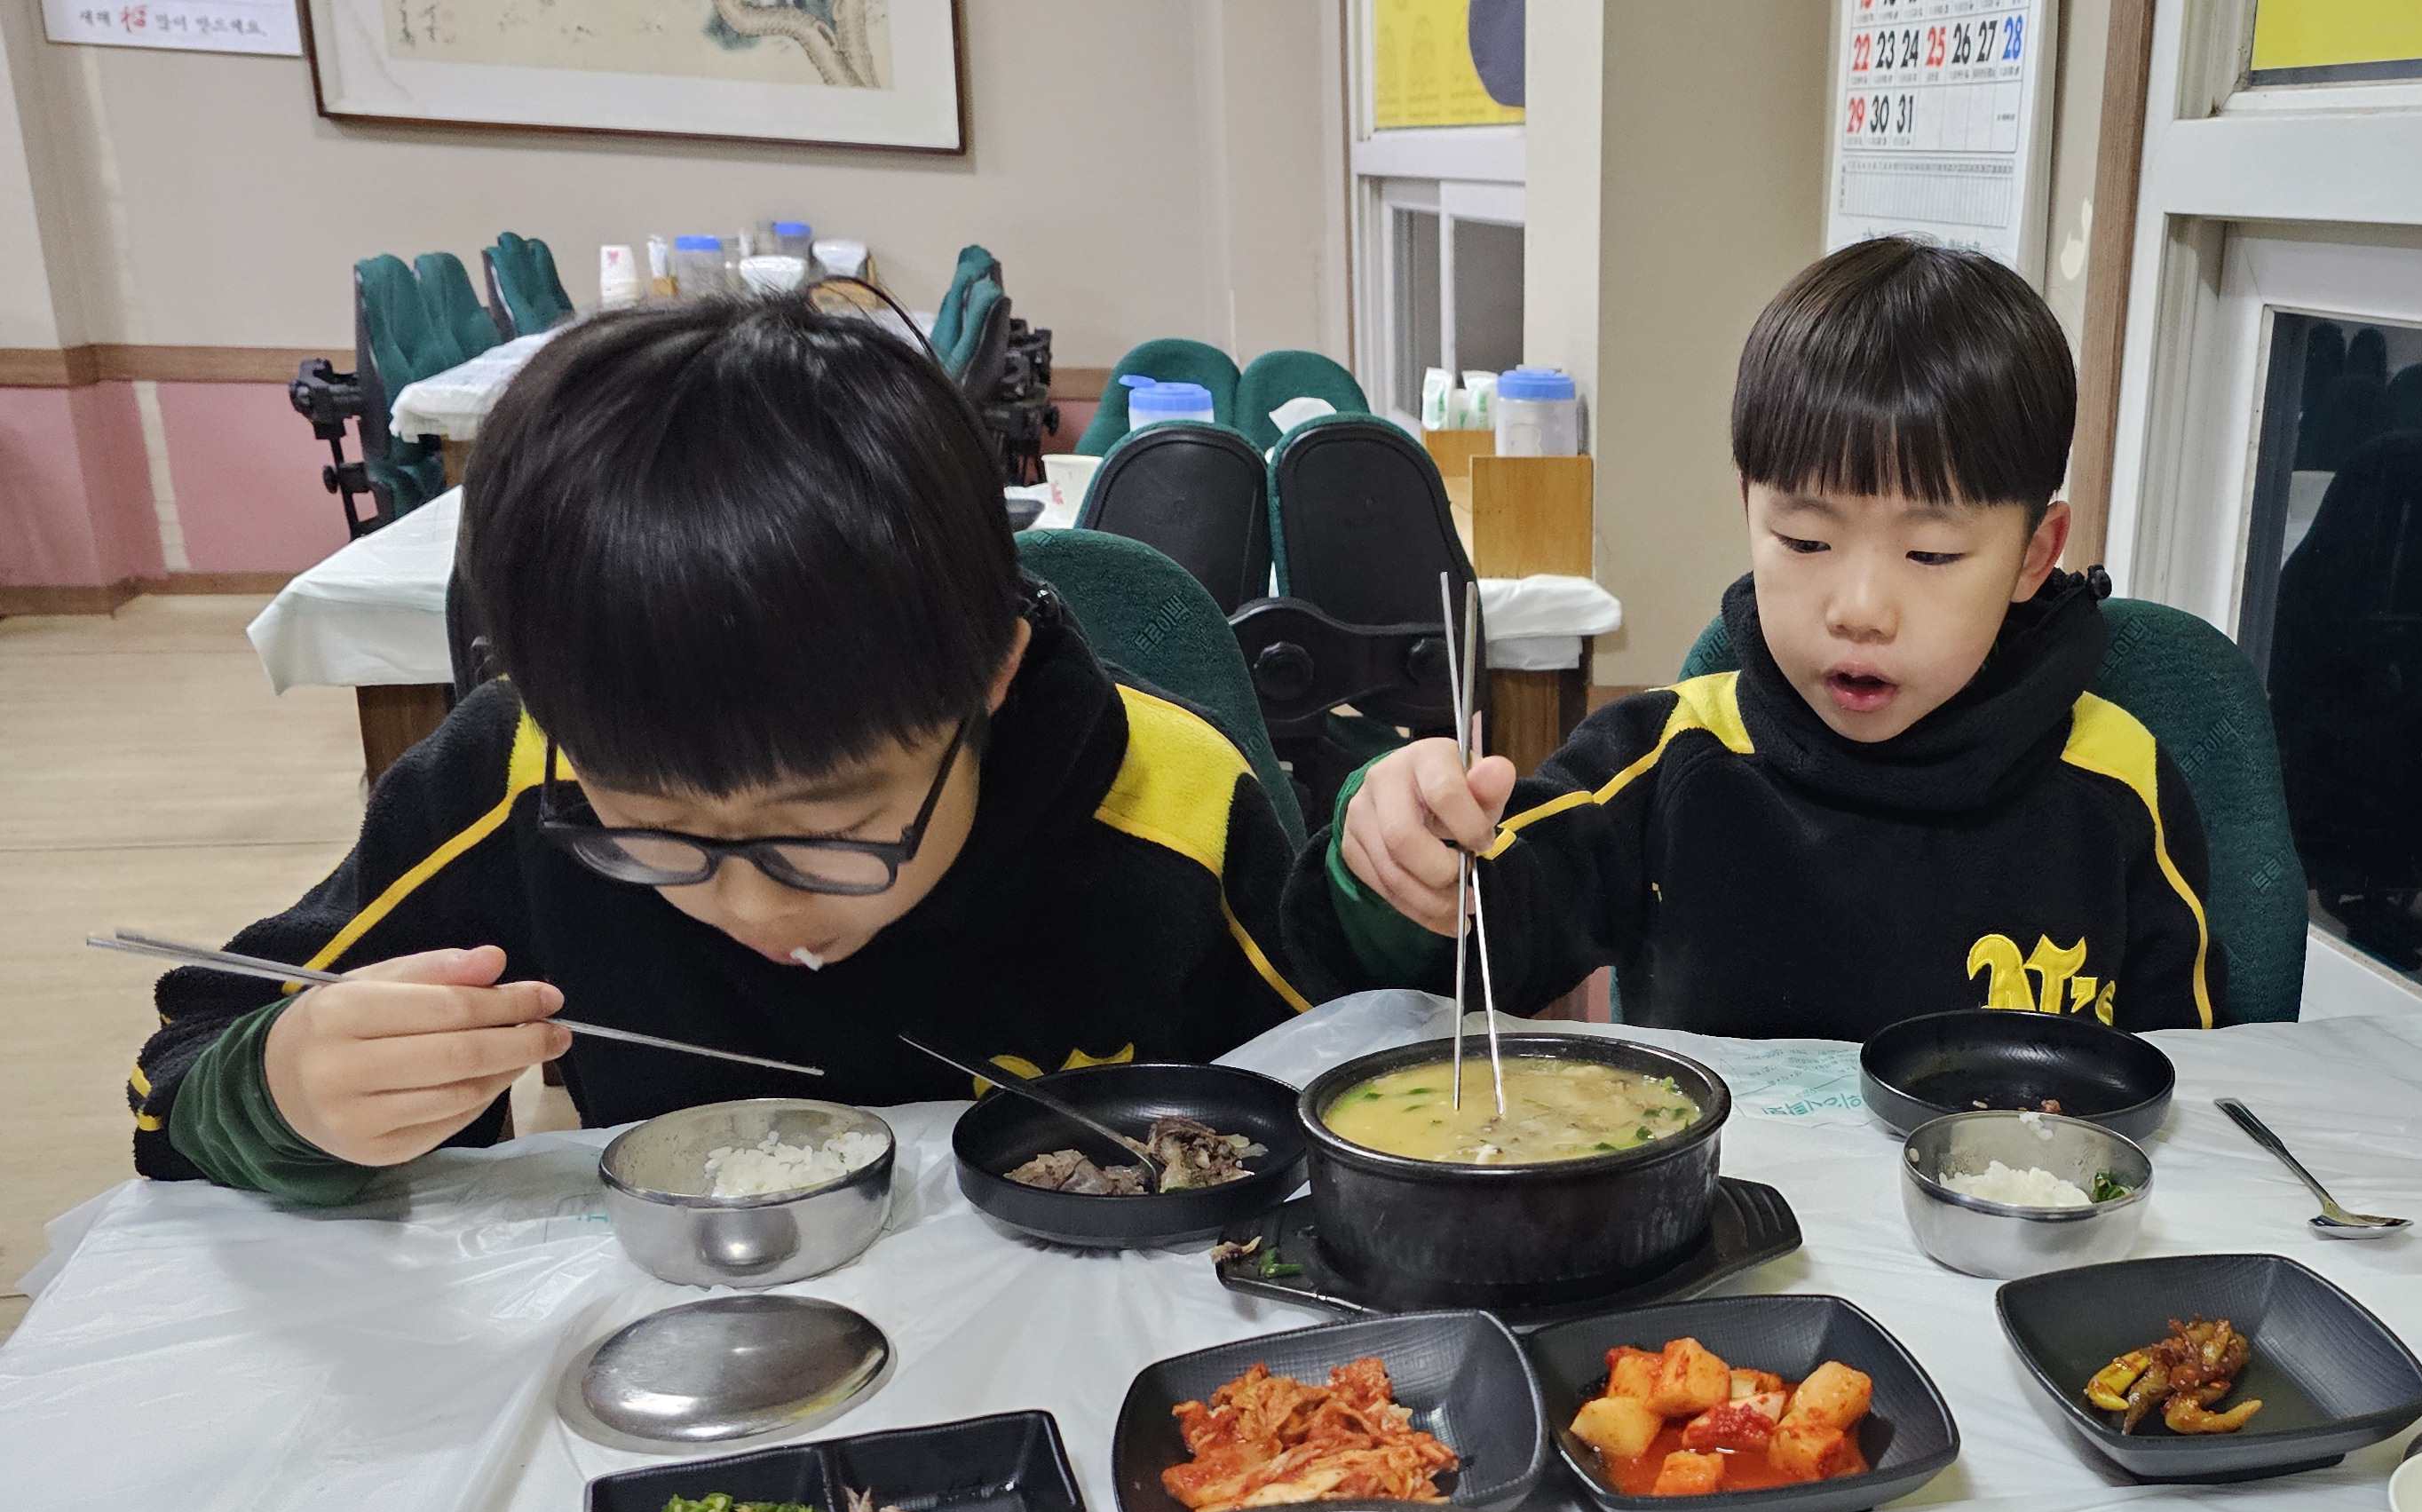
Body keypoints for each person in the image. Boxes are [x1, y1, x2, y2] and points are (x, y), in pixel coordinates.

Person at [130, 296, 1310, 1202]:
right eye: (654, 831)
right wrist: (282, 1092)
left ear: (991, 678)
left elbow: (1348, 1070)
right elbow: (179, 1071)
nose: (755, 907)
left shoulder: (1171, 801)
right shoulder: (522, 777)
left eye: (831, 828)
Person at [1286, 237, 2221, 1039]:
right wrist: (1395, 859)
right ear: (1749, 512)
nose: (1859, 608)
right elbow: (1477, 937)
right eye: (1805, 540)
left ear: (2034, 555)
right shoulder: (1664, 762)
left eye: (1931, 553)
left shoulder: (2120, 788)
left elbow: (2187, 1097)